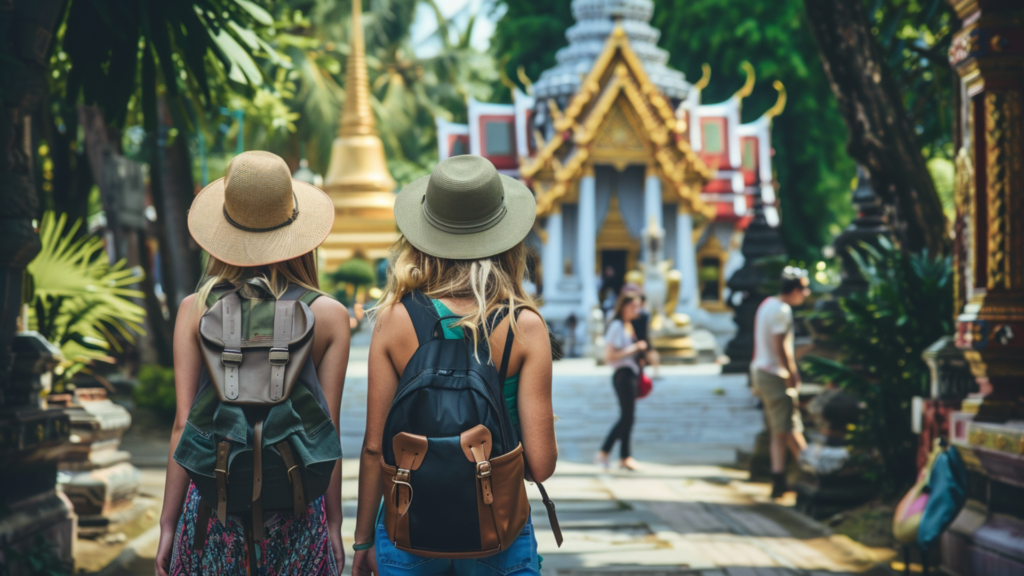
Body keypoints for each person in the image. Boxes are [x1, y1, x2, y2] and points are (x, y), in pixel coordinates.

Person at [351, 155, 557, 575]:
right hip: (496, 530)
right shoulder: (524, 325)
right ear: (507, 239)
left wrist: (362, 542)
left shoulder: (393, 320)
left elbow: (375, 447)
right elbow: (540, 465)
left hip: (409, 527)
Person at [155, 151, 351, 575]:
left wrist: (168, 523)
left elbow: (182, 426)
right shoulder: (329, 315)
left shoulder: (196, 309)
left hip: (213, 508)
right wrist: (333, 523)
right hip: (298, 512)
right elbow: (325, 433)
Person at [751, 266, 811, 498]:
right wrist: (792, 372)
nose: (806, 294)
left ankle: (779, 478)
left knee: (779, 430)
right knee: (790, 426)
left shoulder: (767, 304)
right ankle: (811, 472)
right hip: (774, 373)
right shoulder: (781, 310)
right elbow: (780, 346)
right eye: (804, 289)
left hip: (761, 370)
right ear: (794, 289)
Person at [596, 292, 646, 471]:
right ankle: (604, 452)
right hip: (622, 374)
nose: (637, 310)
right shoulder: (617, 325)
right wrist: (635, 348)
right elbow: (609, 356)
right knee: (626, 417)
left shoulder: (628, 325)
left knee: (629, 417)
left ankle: (625, 456)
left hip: (630, 373)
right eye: (634, 306)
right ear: (625, 306)